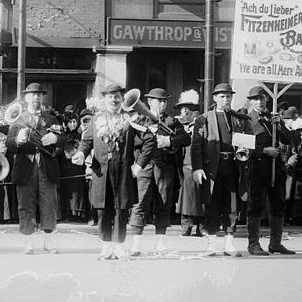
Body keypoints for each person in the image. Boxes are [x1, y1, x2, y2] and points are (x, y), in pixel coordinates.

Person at [73, 84, 150, 260]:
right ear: (104, 99)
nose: (114, 100)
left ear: (122, 99)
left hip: (123, 172)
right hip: (101, 172)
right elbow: (87, 141)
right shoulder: (96, 119)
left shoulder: (131, 120)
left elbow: (149, 140)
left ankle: (120, 246)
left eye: (117, 97)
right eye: (110, 97)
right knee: (102, 210)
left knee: (121, 210)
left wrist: (139, 164)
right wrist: (80, 153)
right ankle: (106, 246)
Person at [190, 82, 251, 257]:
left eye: (229, 96)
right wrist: (197, 168)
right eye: (222, 96)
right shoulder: (204, 119)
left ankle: (229, 244)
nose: (226, 99)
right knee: (212, 204)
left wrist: (245, 150)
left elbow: (248, 143)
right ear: (215, 98)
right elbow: (196, 147)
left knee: (232, 206)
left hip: (233, 166)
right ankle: (211, 244)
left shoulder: (241, 119)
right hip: (212, 168)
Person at [127, 88, 189, 257]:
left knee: (163, 203)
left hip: (165, 167)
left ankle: (160, 244)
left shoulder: (172, 121)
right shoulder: (139, 119)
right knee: (140, 203)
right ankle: (136, 244)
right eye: (157, 101)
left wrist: (168, 140)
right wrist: (149, 135)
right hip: (145, 166)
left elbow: (185, 139)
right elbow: (131, 139)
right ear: (149, 102)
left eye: (164, 101)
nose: (162, 104)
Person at [6, 83, 63, 254]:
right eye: (32, 95)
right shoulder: (17, 119)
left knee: (49, 204)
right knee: (25, 204)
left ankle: (48, 242)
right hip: (25, 166)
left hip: (46, 166)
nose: (36, 97)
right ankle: (28, 242)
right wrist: (18, 140)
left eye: (39, 94)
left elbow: (63, 139)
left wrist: (55, 139)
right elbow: (9, 144)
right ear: (26, 98)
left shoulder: (51, 118)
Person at [243, 86, 295, 256]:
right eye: (255, 99)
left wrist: (279, 125)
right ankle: (253, 244)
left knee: (278, 205)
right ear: (250, 101)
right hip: (257, 166)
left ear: (267, 99)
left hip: (276, 168)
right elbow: (241, 144)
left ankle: (275, 243)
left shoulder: (272, 118)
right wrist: (263, 151)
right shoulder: (245, 119)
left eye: (262, 98)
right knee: (256, 205)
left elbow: (288, 140)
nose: (259, 101)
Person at [174, 90, 205, 237]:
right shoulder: (181, 124)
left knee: (198, 197)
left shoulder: (200, 121)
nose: (182, 111)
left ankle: (197, 226)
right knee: (188, 198)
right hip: (187, 165)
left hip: (197, 165)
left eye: (184, 108)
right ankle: (190, 226)